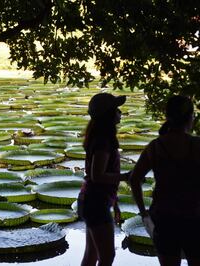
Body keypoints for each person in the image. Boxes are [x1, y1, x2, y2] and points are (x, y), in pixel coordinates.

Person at [130, 95, 200, 266]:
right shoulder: (199, 145)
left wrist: (144, 212)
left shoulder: (156, 146)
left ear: (168, 116)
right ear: (191, 117)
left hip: (164, 219)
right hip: (194, 217)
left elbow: (134, 179)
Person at [79, 93, 130, 266]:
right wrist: (126, 177)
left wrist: (115, 204)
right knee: (107, 257)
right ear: (108, 115)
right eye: (116, 109)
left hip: (91, 200)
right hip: (96, 203)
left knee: (91, 255)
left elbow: (99, 178)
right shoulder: (103, 141)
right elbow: (97, 175)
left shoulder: (99, 137)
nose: (119, 112)